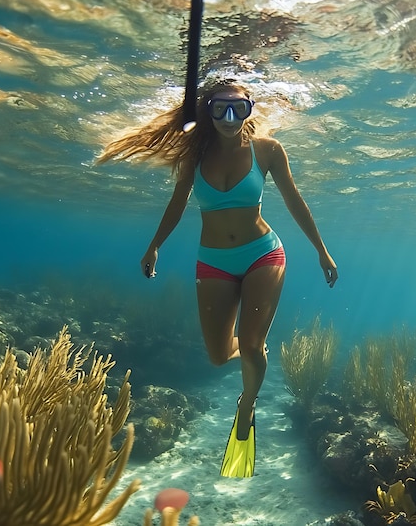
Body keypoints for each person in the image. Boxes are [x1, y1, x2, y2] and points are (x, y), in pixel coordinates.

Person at [97, 79, 338, 477]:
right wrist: (154, 244)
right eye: (220, 109)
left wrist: (321, 250)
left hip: (264, 253)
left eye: (239, 109)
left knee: (252, 344)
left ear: (250, 109)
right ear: (208, 112)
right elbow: (177, 204)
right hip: (213, 262)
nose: (230, 119)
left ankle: (247, 405)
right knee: (216, 354)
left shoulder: (268, 150)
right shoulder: (196, 156)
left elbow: (296, 201)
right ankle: (253, 350)